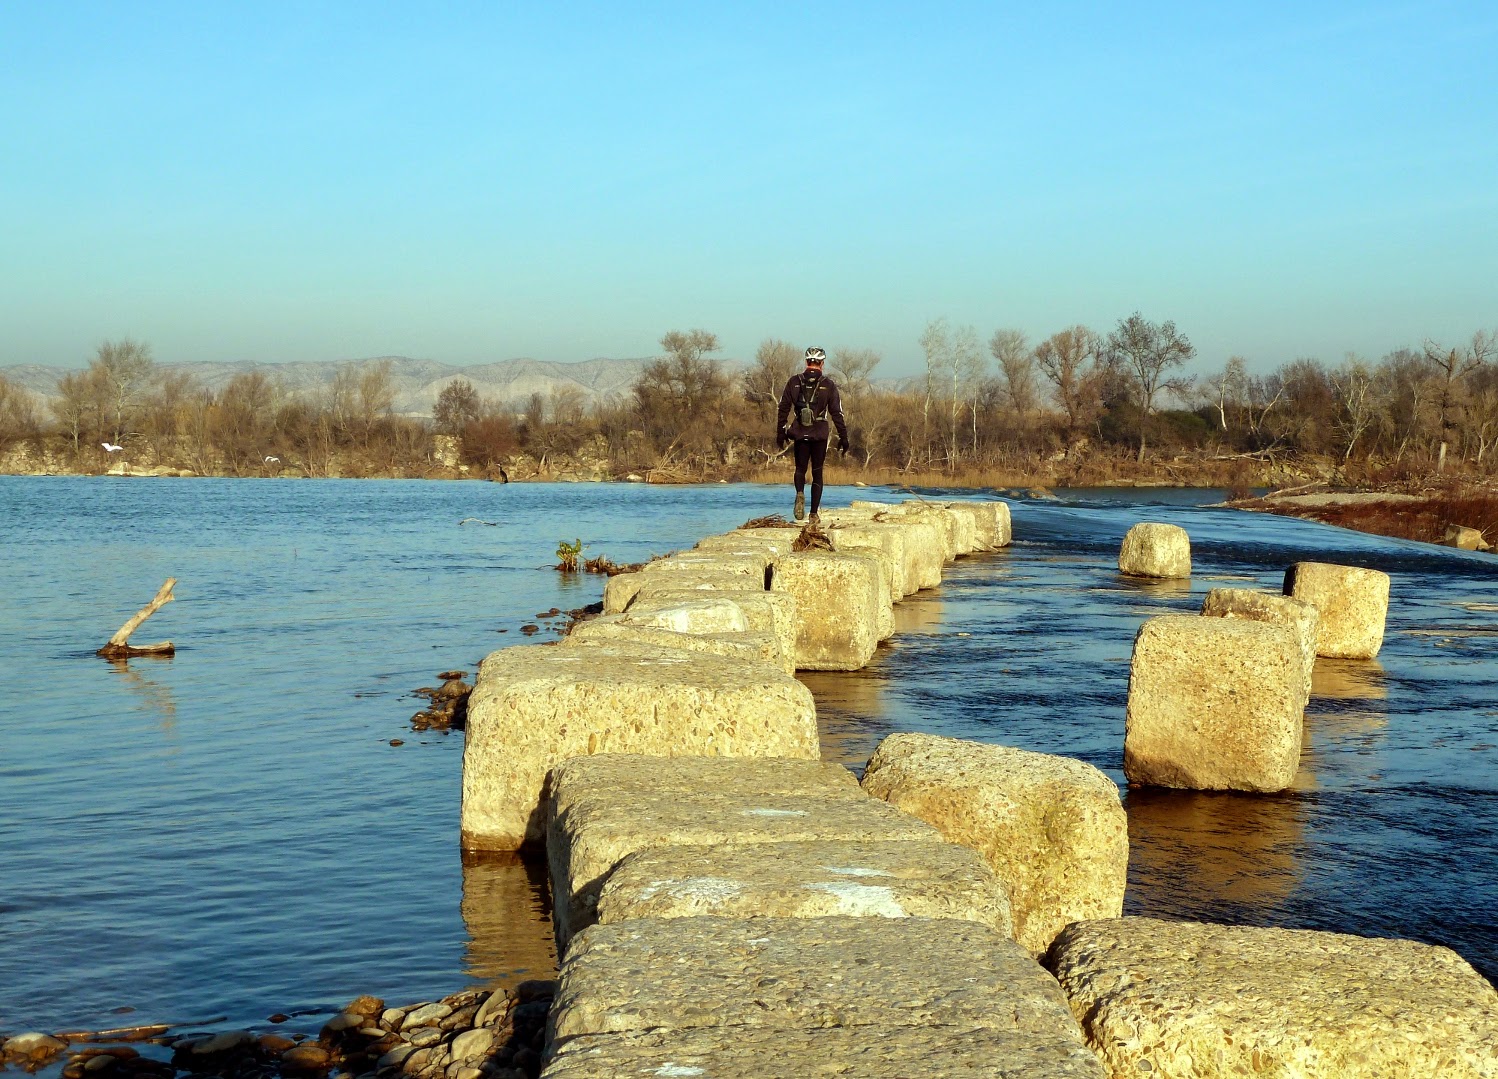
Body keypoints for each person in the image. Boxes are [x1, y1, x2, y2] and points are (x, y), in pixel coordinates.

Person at [776, 346, 849, 522]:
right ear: (822, 363)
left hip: (800, 432)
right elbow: (837, 413)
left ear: (806, 362)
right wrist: (843, 437)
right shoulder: (828, 384)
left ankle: (800, 492)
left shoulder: (794, 381)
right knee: (817, 472)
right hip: (819, 433)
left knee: (800, 469)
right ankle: (814, 514)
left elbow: (783, 408)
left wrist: (781, 432)